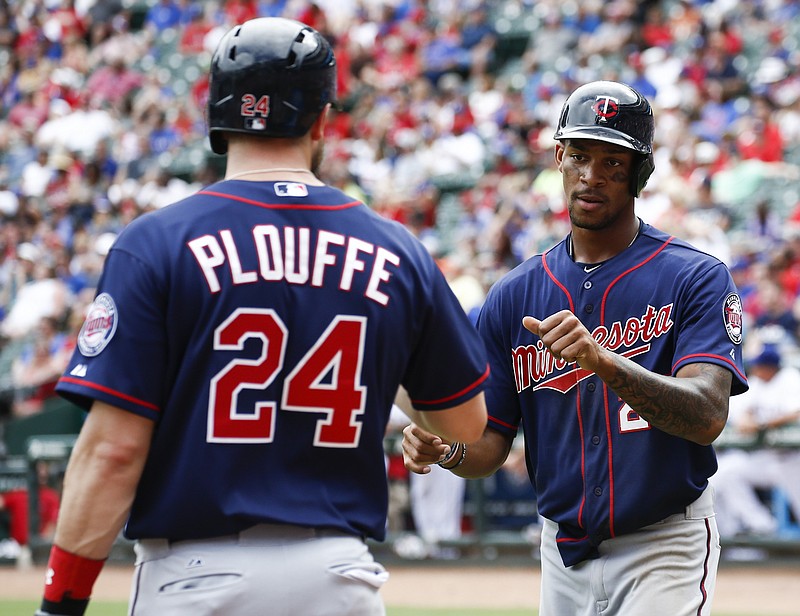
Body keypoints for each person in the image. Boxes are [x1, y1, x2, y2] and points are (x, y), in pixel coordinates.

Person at [35, 17, 488, 616]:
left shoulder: (156, 242)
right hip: (340, 575)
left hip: (198, 575)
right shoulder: (398, 250)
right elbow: (462, 428)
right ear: (323, 119)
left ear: (216, 117)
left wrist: (62, 602)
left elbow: (113, 453)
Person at [402, 81, 748, 616]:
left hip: (664, 542)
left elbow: (706, 415)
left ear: (640, 173)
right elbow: (491, 445)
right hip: (561, 548)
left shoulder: (695, 277)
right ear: (559, 158)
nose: (592, 176)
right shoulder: (514, 295)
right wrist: (446, 449)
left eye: (613, 162)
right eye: (581, 156)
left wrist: (605, 363)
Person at [711, 345, 800, 539]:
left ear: (770, 367)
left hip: (794, 458)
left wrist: (761, 423)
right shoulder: (758, 383)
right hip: (766, 459)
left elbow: (795, 412)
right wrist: (748, 418)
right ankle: (761, 527)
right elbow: (742, 414)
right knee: (727, 473)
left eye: (760, 366)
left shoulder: (789, 378)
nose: (756, 369)